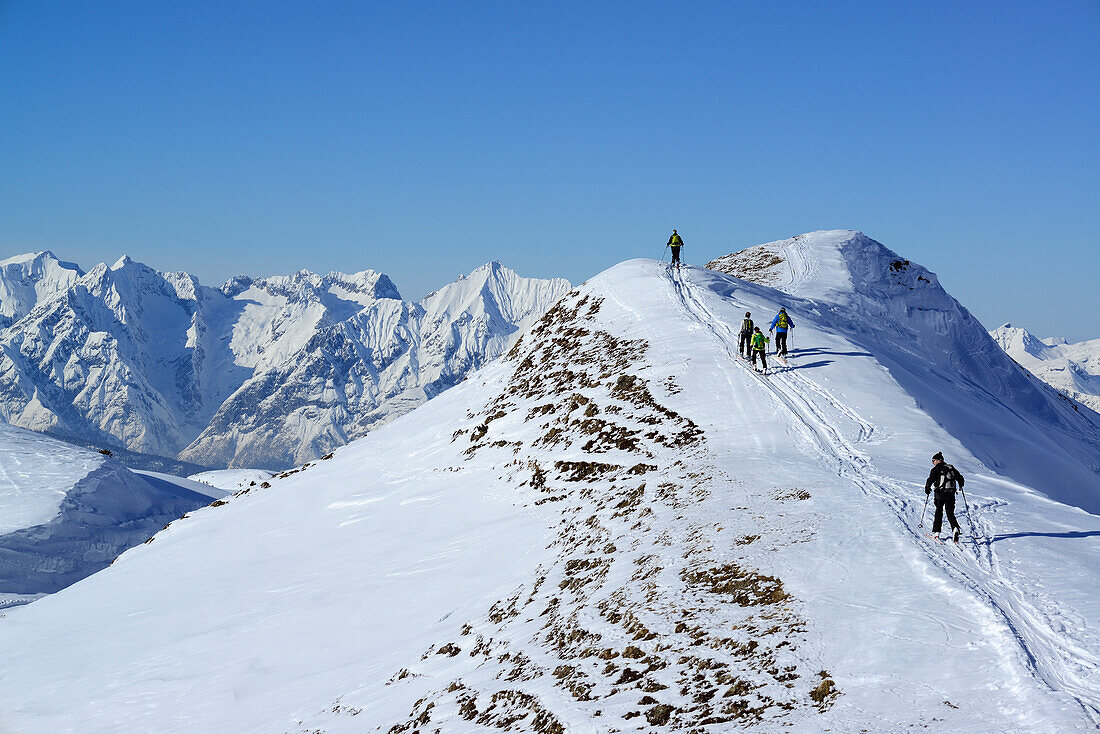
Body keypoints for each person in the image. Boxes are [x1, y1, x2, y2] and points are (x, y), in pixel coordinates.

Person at [925, 452, 964, 541]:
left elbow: (930, 480)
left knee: (939, 511)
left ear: (938, 460)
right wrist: (961, 485)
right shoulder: (951, 468)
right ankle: (955, 528)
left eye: (933, 461)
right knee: (950, 513)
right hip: (951, 493)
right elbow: (960, 478)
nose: (933, 462)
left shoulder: (936, 469)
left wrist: (927, 488)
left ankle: (936, 532)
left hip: (940, 494)